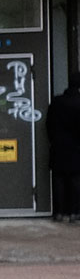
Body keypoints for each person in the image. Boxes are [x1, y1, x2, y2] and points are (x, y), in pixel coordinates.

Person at [48, 80, 80, 221]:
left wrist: (54, 139)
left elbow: (48, 124)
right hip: (76, 147)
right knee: (76, 181)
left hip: (58, 147)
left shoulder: (56, 102)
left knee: (58, 180)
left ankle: (59, 212)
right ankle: (74, 212)